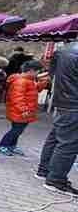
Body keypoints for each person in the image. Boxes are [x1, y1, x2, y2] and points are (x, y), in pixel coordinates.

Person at [35, 43, 78, 194]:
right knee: (69, 144)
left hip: (62, 100)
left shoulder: (62, 51)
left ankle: (44, 171)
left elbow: (52, 74)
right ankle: (56, 180)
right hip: (73, 104)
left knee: (55, 138)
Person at [0, 60, 49, 156]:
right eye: (38, 71)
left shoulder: (29, 80)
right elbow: (17, 98)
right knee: (16, 130)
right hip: (20, 111)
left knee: (17, 130)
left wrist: (43, 81)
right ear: (31, 71)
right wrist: (24, 109)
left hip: (23, 111)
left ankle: (11, 146)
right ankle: (3, 145)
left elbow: (37, 89)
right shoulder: (21, 81)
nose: (39, 73)